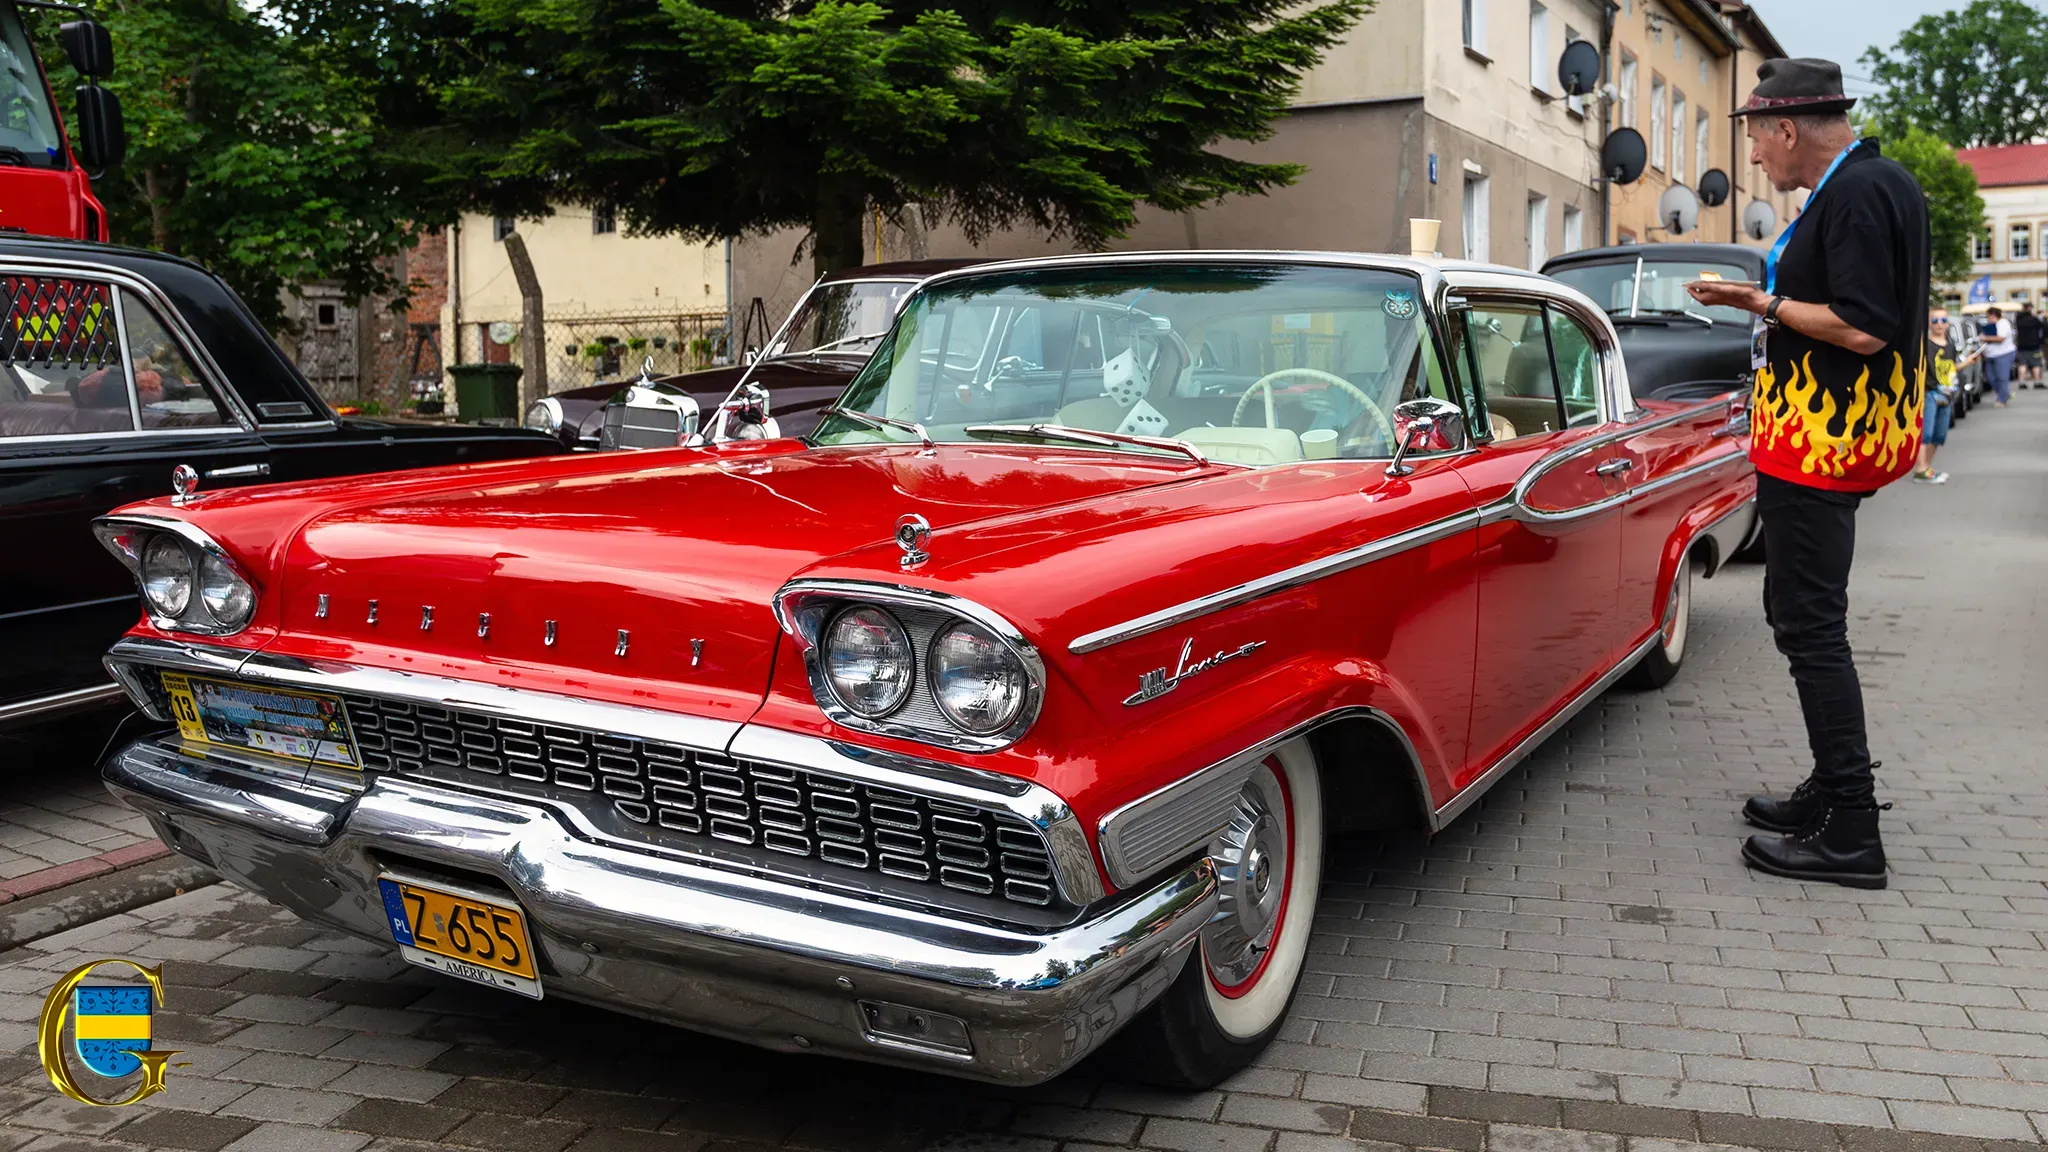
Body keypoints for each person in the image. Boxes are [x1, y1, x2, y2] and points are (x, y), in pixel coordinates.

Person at [1687, 57, 1930, 889]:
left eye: (1757, 139)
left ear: (1787, 129)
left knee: (1810, 623)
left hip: (1822, 443)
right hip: (1830, 437)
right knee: (1798, 614)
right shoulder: (1877, 182)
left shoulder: (1856, 193)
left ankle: (1852, 828)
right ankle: (1830, 793)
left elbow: (1863, 327)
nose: (1754, 156)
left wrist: (1760, 304)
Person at [1915, 310, 1974, 483]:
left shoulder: (1950, 346)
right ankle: (1920, 470)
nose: (1939, 324)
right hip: (1929, 392)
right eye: (1935, 320)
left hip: (1947, 393)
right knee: (1926, 433)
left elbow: (1951, 368)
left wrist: (1968, 362)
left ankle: (1926, 468)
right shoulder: (1924, 345)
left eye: (1943, 320)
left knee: (1939, 435)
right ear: (1929, 323)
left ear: (1947, 323)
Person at [1981, 306, 2016, 405]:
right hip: (1990, 355)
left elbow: (2001, 338)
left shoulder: (2003, 323)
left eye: (1988, 316)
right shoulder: (1991, 325)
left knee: (2002, 377)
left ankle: (2002, 400)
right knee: (1990, 377)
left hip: (2003, 354)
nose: (1987, 319)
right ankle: (2004, 393)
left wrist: (1985, 338)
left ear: (1993, 315)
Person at [2014, 302, 2044, 387]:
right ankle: (2037, 382)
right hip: (2034, 346)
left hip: (2022, 345)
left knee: (2022, 364)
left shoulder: (2018, 319)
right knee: (2036, 364)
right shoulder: (2034, 319)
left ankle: (2022, 382)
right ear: (2030, 308)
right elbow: (2042, 326)